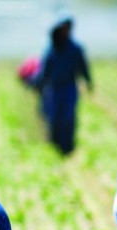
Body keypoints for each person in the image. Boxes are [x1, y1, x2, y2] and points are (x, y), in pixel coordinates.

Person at [36, 10, 93, 155]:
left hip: (69, 87)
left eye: (68, 27)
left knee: (68, 117)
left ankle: (67, 146)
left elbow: (83, 66)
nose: (66, 30)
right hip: (54, 88)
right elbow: (45, 69)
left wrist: (88, 81)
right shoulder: (52, 48)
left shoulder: (75, 48)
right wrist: (40, 85)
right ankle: (55, 144)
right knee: (54, 117)